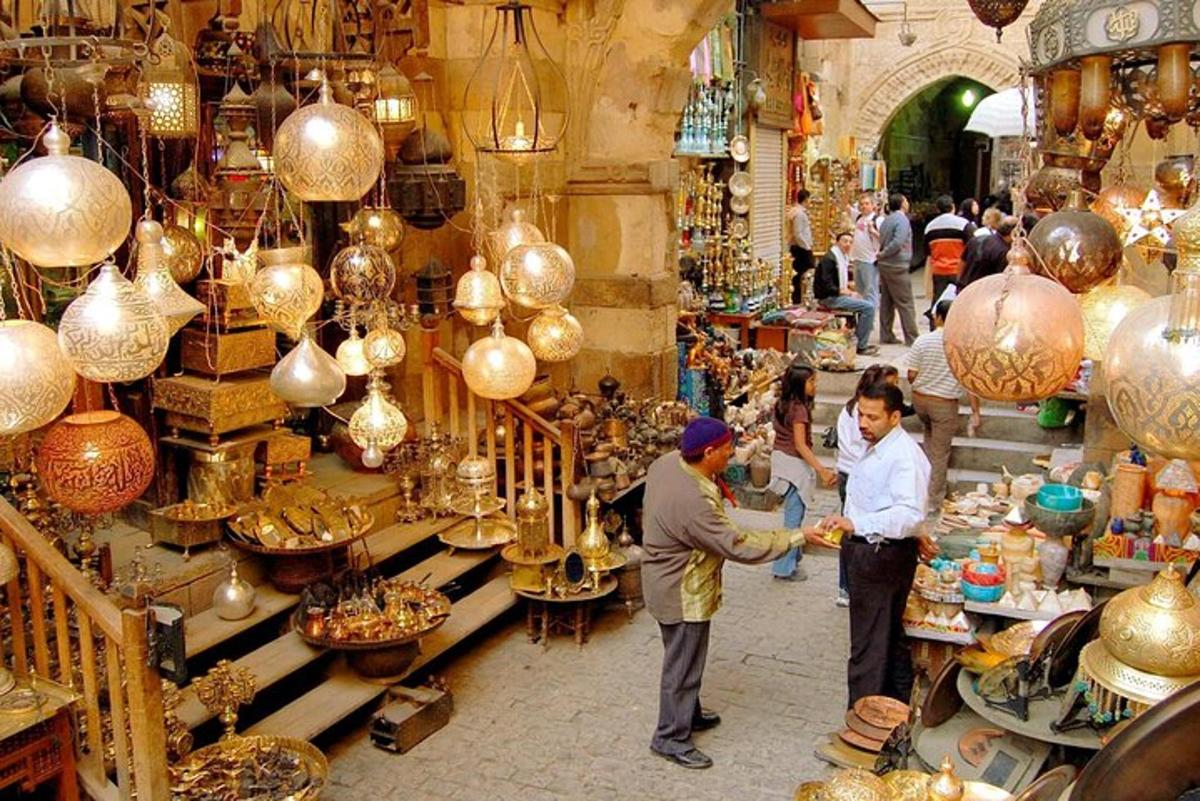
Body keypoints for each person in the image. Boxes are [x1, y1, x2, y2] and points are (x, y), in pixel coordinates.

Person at [642, 417, 816, 769]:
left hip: (664, 578)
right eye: (726, 450)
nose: (732, 456)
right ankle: (670, 736)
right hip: (681, 589)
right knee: (683, 664)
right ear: (707, 452)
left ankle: (687, 713)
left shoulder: (667, 464)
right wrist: (799, 536)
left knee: (685, 657)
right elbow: (739, 544)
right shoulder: (693, 502)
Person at [816, 383, 935, 707]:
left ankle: (863, 723)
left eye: (872, 417)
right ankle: (893, 715)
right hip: (873, 553)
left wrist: (859, 524)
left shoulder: (902, 456)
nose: (863, 424)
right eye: (860, 416)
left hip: (880, 557)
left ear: (895, 417)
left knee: (869, 648)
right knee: (888, 641)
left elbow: (909, 513)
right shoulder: (880, 445)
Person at [833, 364, 900, 607]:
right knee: (853, 532)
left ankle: (854, 585)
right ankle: (848, 586)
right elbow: (853, 446)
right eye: (891, 385)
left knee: (859, 529)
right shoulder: (854, 413)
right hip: (852, 474)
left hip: (855, 472)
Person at [906, 299, 984, 507]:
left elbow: (912, 374)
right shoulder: (962, 346)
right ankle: (932, 500)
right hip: (944, 405)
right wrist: (976, 412)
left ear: (937, 317)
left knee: (929, 443)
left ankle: (919, 490)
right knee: (939, 454)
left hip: (920, 401)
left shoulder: (922, 341)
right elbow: (970, 383)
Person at [770, 363, 838, 581]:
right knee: (793, 520)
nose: (815, 385)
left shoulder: (783, 404)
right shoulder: (799, 410)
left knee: (793, 515)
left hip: (781, 460)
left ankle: (794, 558)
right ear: (800, 384)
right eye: (811, 381)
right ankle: (783, 567)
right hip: (793, 466)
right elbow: (801, 445)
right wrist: (822, 470)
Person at [814, 231, 878, 355]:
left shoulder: (842, 257)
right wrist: (844, 292)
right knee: (869, 308)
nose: (847, 244)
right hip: (830, 298)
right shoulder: (830, 259)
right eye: (845, 241)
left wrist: (850, 290)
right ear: (837, 242)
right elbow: (827, 285)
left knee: (865, 301)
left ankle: (858, 340)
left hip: (836, 295)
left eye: (850, 242)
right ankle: (861, 345)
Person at [876, 193, 919, 346]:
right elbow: (898, 241)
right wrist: (884, 253)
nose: (908, 203)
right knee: (905, 302)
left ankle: (886, 333)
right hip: (897, 264)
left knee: (887, 301)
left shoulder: (887, 219)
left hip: (886, 265)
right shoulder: (902, 220)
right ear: (902, 203)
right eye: (906, 200)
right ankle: (912, 337)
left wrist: (882, 255)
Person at [923, 195, 970, 322]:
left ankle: (935, 328)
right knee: (960, 302)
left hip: (939, 270)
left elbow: (927, 252)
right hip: (959, 270)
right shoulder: (963, 224)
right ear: (953, 207)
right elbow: (973, 246)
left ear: (938, 209)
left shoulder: (930, 227)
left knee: (938, 301)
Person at [958, 215, 1016, 288]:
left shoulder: (976, 239)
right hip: (984, 291)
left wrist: (959, 281)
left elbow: (961, 263)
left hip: (964, 288)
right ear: (1013, 234)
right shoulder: (1004, 251)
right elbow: (1002, 279)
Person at [849, 192, 881, 312]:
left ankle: (871, 317)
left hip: (870, 260)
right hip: (857, 259)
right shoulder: (858, 218)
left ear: (873, 205)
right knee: (860, 291)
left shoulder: (877, 220)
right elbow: (845, 206)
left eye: (867, 204)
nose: (864, 206)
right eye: (861, 204)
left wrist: (873, 232)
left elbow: (885, 239)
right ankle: (863, 315)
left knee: (870, 290)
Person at [788, 189, 814, 304]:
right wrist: (806, 247)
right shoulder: (799, 214)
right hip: (800, 249)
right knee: (801, 274)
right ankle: (797, 299)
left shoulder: (799, 212)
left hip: (801, 247)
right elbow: (798, 233)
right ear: (806, 199)